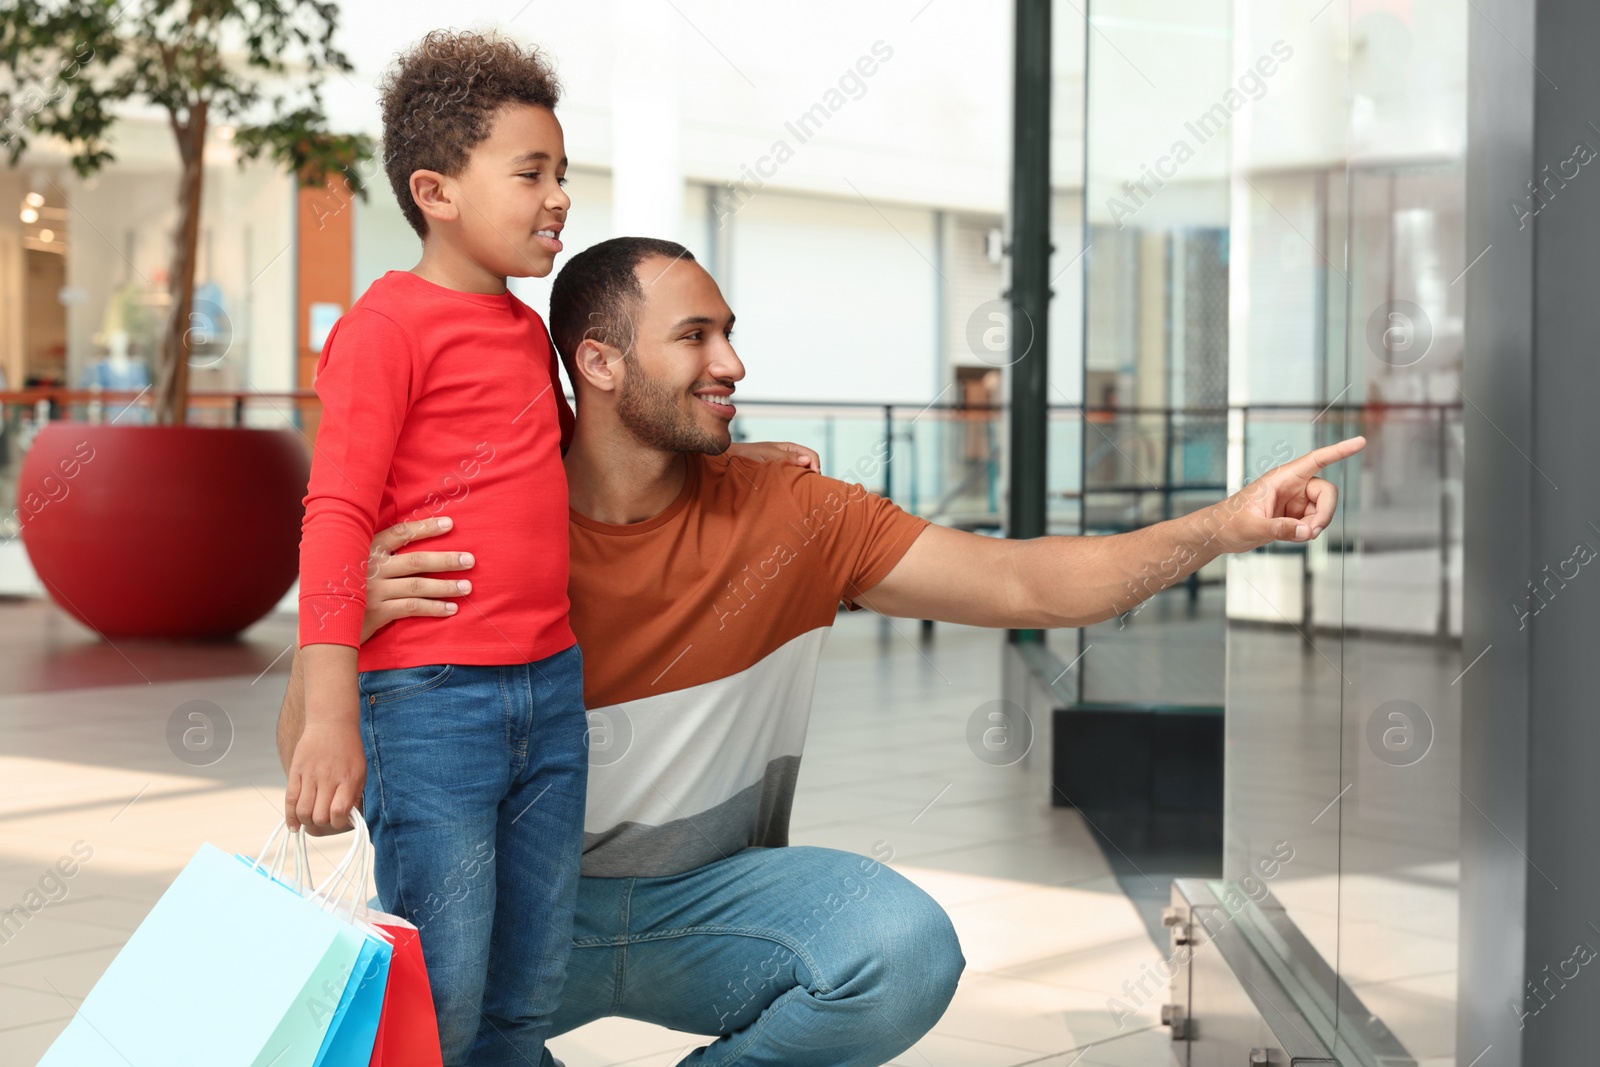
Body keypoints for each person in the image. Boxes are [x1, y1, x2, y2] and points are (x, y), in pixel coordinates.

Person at [279, 236, 1363, 1067]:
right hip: (513, 912)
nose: (732, 362)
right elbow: (312, 755)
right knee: (403, 1018)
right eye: (695, 336)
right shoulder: (471, 528)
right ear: (598, 362)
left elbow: (1026, 580)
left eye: (728, 330)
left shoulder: (788, 510)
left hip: (704, 904)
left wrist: (1222, 525)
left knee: (899, 946)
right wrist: (340, 621)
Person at [285, 36, 809, 1067]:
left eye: (561, 171)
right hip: (430, 703)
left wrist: (732, 458)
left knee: (525, 990)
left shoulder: (525, 331)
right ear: (435, 190)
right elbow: (335, 513)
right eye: (530, 173)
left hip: (548, 692)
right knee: (446, 990)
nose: (559, 196)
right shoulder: (385, 327)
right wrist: (329, 714)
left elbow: (573, 452)